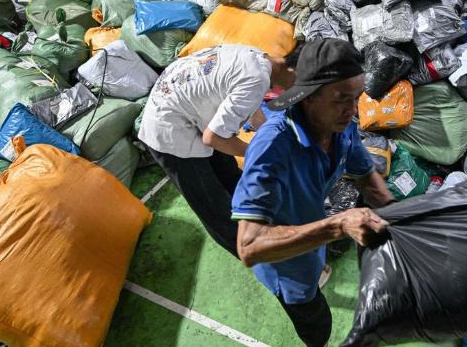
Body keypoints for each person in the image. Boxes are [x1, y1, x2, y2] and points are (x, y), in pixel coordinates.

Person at [231, 39, 396, 346]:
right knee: (317, 324)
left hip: (312, 237)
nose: (352, 110)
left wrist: (404, 218)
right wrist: (337, 225)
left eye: (356, 98)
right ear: (308, 97)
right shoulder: (272, 147)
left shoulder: (340, 125)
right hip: (288, 266)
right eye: (341, 99)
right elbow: (249, 246)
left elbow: (367, 178)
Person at [138, 45, 296, 258]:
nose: (294, 91)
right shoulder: (257, 78)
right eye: (300, 85)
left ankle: (276, 232)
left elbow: (251, 107)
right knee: (215, 207)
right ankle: (270, 261)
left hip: (191, 115)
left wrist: (274, 142)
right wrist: (256, 152)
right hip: (169, 132)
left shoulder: (256, 58)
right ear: (293, 70)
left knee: (232, 179)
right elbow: (213, 138)